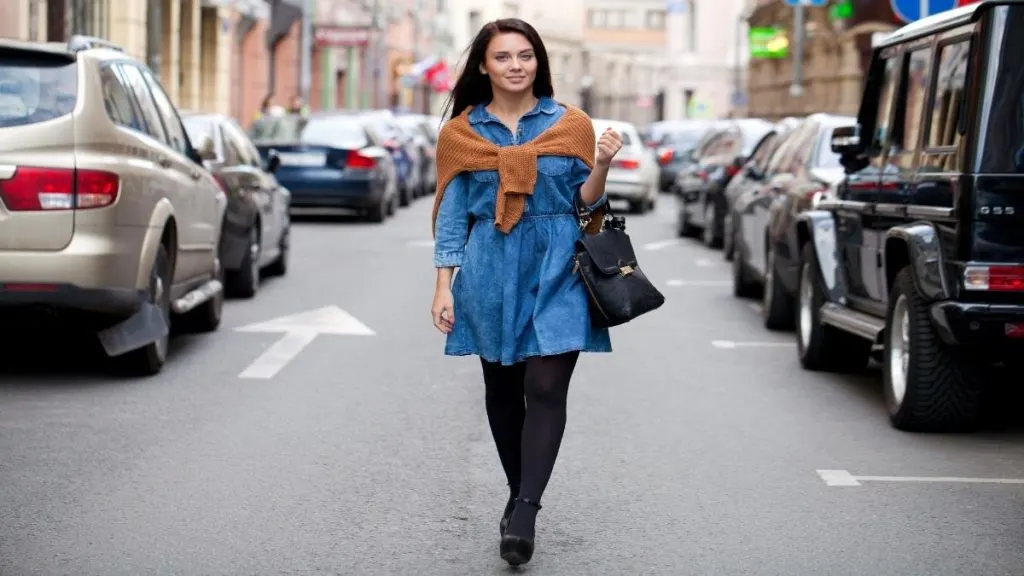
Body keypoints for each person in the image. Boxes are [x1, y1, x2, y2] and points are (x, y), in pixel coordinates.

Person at [429, 18, 623, 566]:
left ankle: (525, 512)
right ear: (484, 67)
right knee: (502, 389)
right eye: (503, 57)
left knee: (544, 385)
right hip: (491, 268)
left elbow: (586, 204)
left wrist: (602, 164)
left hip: (560, 263)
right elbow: (453, 217)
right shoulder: (462, 135)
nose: (516, 66)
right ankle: (519, 492)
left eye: (525, 56)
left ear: (539, 61)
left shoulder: (571, 124)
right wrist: (443, 284)